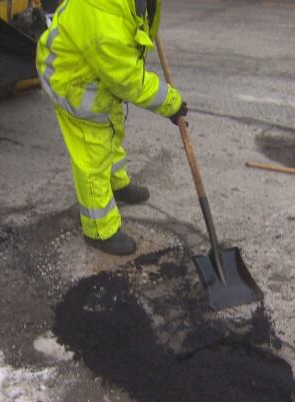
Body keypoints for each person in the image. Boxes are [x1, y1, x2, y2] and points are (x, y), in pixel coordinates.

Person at [36, 0, 187, 255]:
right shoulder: (102, 15)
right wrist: (171, 103)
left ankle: (117, 183)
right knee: (93, 149)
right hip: (71, 78)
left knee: (111, 126)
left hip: (95, 68)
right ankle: (99, 229)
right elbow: (127, 79)